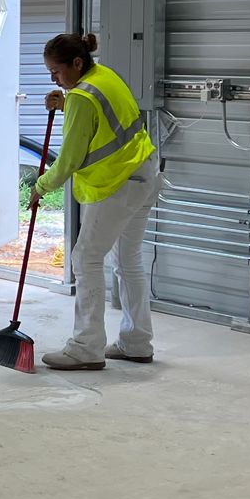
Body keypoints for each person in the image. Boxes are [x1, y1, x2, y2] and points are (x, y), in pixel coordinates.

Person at [32, 31, 167, 371]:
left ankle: (85, 347)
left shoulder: (81, 96)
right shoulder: (103, 76)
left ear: (77, 63)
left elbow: (68, 161)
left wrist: (40, 186)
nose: (54, 79)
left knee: (86, 258)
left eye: (57, 72)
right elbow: (100, 119)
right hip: (145, 174)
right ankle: (137, 343)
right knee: (128, 260)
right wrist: (66, 102)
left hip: (118, 185)